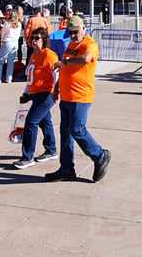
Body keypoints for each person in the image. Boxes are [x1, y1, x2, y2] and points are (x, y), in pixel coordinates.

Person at [45, 15, 111, 183]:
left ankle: (100, 155)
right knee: (65, 133)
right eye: (70, 32)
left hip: (81, 96)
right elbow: (65, 69)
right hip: (67, 96)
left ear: (84, 29)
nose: (73, 35)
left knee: (77, 130)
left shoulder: (90, 44)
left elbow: (85, 59)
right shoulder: (71, 45)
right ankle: (66, 169)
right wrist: (57, 88)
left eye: (75, 32)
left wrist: (65, 61)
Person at [13, 27, 59, 169]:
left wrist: (56, 92)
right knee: (45, 122)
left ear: (44, 40)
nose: (33, 41)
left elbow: (57, 75)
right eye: (32, 38)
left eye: (37, 38)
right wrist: (26, 92)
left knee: (31, 122)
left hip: (46, 94)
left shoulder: (48, 55)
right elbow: (31, 76)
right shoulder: (34, 55)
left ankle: (27, 157)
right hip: (35, 94)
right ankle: (51, 150)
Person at [0, 10, 22, 83]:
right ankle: (9, 78)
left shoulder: (7, 23)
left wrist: (3, 40)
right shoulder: (19, 24)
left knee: (0, 60)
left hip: (8, 41)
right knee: (11, 61)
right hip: (15, 42)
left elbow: (3, 34)